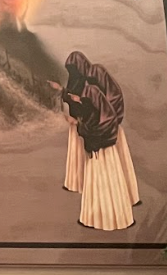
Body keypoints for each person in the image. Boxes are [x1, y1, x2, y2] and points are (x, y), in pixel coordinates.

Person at [59, 52, 137, 230]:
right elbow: (87, 105)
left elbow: (106, 106)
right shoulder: (85, 86)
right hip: (96, 130)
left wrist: (89, 123)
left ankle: (111, 215)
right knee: (99, 177)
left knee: (107, 177)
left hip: (102, 133)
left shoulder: (95, 80)